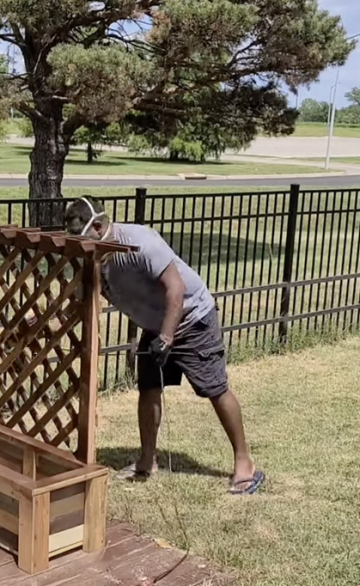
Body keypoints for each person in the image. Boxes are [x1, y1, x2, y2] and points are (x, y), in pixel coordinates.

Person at [62, 195, 264, 495]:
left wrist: (167, 338)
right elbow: (76, 303)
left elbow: (176, 288)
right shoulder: (95, 260)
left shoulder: (141, 242)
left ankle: (245, 464)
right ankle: (146, 461)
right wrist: (43, 323)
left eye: (84, 240)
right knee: (148, 389)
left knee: (214, 388)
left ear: (100, 226)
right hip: (156, 325)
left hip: (192, 318)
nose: (83, 248)